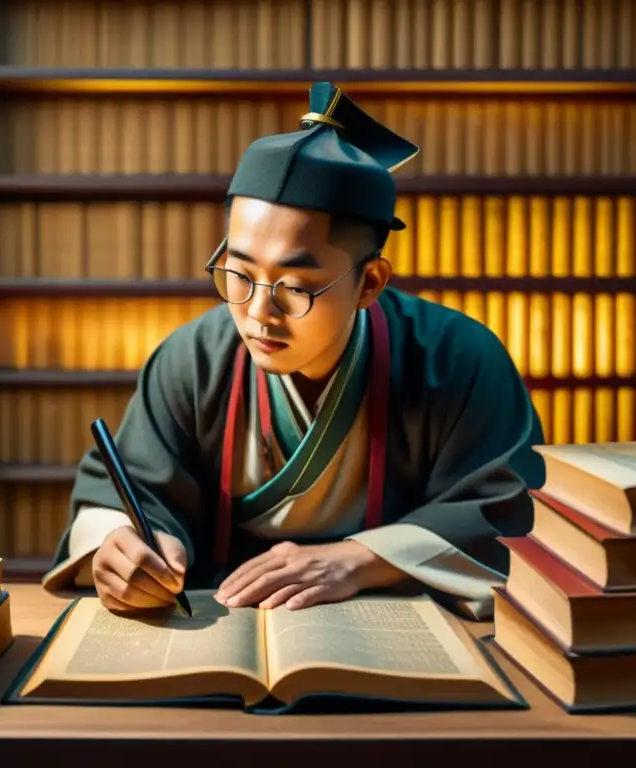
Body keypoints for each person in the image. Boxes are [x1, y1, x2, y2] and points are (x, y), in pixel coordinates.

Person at [42, 82, 546, 621]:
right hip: (220, 621)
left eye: (297, 287)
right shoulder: (192, 360)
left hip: (397, 625)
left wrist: (360, 560)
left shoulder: (460, 360)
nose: (259, 313)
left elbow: (510, 512)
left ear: (370, 282)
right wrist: (122, 545)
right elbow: (127, 491)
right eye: (238, 273)